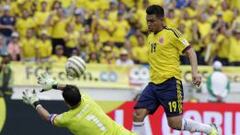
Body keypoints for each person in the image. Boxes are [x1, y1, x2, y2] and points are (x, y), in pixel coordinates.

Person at [132, 5, 218, 135]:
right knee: (138, 115)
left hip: (170, 83)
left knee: (174, 123)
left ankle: (209, 128)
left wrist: (195, 72)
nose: (149, 24)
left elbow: (190, 51)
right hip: (154, 84)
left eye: (152, 21)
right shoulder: (150, 36)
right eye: (147, 21)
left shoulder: (172, 34)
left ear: (162, 20)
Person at [22, 73, 135, 135]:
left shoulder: (67, 119)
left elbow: (47, 117)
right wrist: (54, 84)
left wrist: (35, 102)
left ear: (66, 102)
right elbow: (71, 88)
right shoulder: (88, 100)